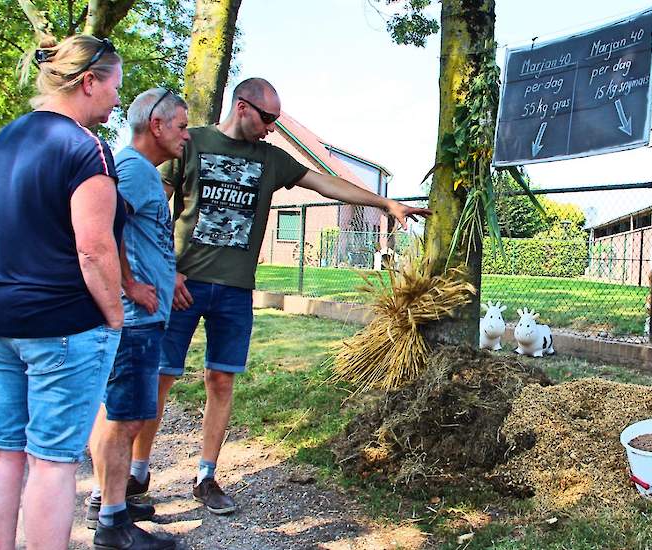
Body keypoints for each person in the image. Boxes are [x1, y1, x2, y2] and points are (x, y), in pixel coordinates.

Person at [130, 77, 431, 514]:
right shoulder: (189, 143)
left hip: (235, 291)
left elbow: (326, 184)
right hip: (182, 285)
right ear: (242, 107)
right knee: (161, 375)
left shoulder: (270, 158)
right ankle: (138, 470)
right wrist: (166, 268)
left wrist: (386, 205)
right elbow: (157, 210)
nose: (272, 127)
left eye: (276, 120)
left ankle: (206, 476)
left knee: (221, 379)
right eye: (267, 118)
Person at [0, 34, 125, 550]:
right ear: (88, 82)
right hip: (62, 323)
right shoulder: (86, 148)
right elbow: (94, 249)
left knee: (0, 450)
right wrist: (114, 315)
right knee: (53, 461)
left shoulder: (2, 142)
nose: (118, 100)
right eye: (115, 87)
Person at [85, 88, 190, 550]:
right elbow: (105, 224)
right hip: (134, 319)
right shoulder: (132, 170)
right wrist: (129, 283)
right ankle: (112, 524)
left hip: (145, 316)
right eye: (182, 126)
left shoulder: (142, 172)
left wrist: (168, 275)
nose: (186, 135)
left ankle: (106, 502)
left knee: (119, 412)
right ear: (157, 125)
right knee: (124, 419)